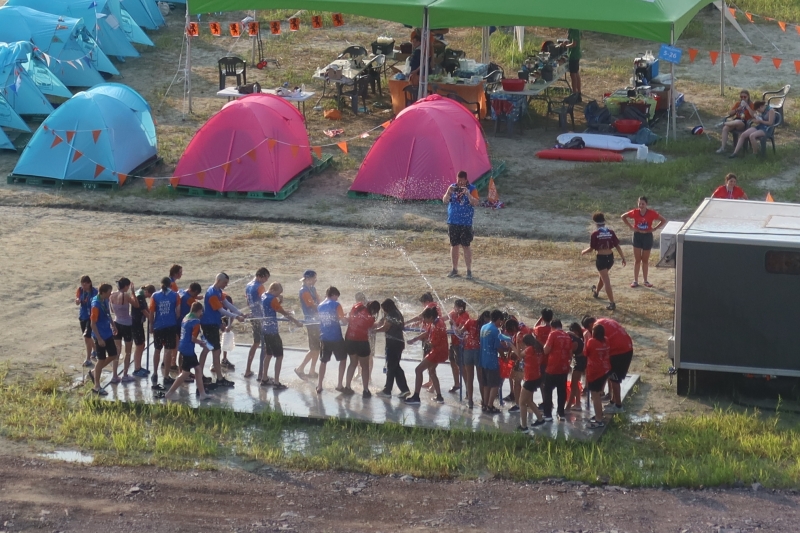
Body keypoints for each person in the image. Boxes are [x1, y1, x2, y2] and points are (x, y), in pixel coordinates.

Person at [199, 273, 245, 387]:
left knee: (209, 349)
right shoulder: (212, 293)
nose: (226, 285)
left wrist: (240, 312)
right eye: (225, 283)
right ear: (219, 280)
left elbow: (227, 304)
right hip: (209, 324)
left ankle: (201, 375)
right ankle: (218, 378)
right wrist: (236, 317)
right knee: (215, 350)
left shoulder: (218, 291)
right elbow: (221, 310)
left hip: (213, 323)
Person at [581, 315, 633, 414]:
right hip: (628, 347)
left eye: (589, 329)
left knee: (614, 379)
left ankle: (618, 406)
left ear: (590, 325)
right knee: (613, 376)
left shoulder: (598, 327)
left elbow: (591, 350)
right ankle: (613, 400)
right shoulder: (603, 320)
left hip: (620, 351)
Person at [164, 302, 211, 401]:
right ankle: (169, 393)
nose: (201, 314)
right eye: (201, 312)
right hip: (188, 348)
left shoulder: (186, 317)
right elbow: (193, 338)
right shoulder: (196, 322)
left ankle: (202, 393)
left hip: (182, 346)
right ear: (198, 311)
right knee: (185, 373)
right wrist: (201, 343)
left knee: (198, 369)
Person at [260, 283, 303, 389]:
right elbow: (283, 313)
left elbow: (274, 308)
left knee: (268, 354)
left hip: (265, 329)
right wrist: (296, 322)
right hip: (272, 331)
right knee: (279, 356)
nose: (278, 295)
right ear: (274, 290)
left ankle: (264, 378)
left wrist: (280, 301)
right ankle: (276, 382)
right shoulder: (272, 299)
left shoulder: (263, 296)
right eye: (278, 293)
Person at [581, 212, 627, 311]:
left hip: (601, 258)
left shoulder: (595, 234)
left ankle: (612, 303)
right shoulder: (610, 232)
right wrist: (623, 257)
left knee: (606, 280)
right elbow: (617, 246)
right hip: (610, 258)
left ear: (595, 222)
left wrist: (583, 252)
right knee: (603, 277)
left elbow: (591, 248)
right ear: (604, 221)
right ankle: (596, 292)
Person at [404, 307, 448, 404]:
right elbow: (426, 333)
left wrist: (426, 343)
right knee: (432, 371)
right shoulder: (435, 322)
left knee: (418, 370)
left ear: (431, 317)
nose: (423, 320)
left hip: (437, 352)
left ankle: (416, 397)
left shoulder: (438, 325)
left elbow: (432, 343)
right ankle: (439, 397)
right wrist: (415, 339)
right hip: (441, 351)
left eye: (425, 318)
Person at [621, 196, 667, 289]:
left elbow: (663, 220)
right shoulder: (635, 212)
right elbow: (623, 216)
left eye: (643, 204)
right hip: (637, 236)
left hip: (647, 237)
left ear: (646, 204)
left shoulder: (651, 213)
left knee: (645, 260)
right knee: (637, 260)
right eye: (639, 203)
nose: (641, 205)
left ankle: (645, 280)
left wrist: (654, 228)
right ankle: (635, 280)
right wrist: (631, 227)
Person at [443, 171, 479, 279]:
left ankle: (469, 271)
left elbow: (475, 203)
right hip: (453, 221)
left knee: (466, 246)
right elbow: (445, 200)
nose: (459, 183)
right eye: (457, 180)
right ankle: (454, 269)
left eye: (461, 181)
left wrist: (468, 194)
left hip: (465, 222)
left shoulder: (472, 188)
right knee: (454, 245)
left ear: (466, 179)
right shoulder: (452, 187)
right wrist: (448, 192)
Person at [149, 277, 181, 390]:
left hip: (158, 326)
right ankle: (166, 376)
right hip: (170, 325)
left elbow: (151, 312)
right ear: (170, 285)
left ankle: (154, 373)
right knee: (168, 351)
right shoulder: (175, 295)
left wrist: (151, 325)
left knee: (157, 350)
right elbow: (178, 312)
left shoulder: (155, 296)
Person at [344, 297, 380, 397]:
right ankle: (365, 390)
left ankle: (347, 387)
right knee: (365, 367)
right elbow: (372, 326)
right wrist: (381, 323)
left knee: (352, 363)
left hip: (349, 339)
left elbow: (351, 317)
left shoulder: (357, 307)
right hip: (361, 342)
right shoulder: (370, 318)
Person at [374, 299, 410, 399]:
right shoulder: (398, 313)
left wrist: (373, 331)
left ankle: (387, 390)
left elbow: (385, 327)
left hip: (393, 343)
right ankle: (404, 389)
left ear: (386, 307)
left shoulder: (391, 314)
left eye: (383, 309)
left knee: (391, 367)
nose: (383, 311)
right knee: (395, 366)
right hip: (399, 343)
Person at [541, 319, 576, 422]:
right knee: (561, 391)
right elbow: (570, 353)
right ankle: (561, 413)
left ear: (552, 327)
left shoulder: (553, 334)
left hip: (552, 367)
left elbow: (546, 350)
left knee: (547, 391)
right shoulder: (567, 336)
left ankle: (548, 414)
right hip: (564, 368)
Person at [316, 286, 348, 394]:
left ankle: (319, 386)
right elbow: (343, 322)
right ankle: (339, 385)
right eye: (337, 297)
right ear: (333, 295)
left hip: (324, 337)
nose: (337, 299)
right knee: (343, 360)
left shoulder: (320, 306)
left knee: (323, 361)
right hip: (336, 337)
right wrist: (346, 318)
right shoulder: (336, 305)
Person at [87, 283, 117, 396]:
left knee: (114, 354)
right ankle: (97, 386)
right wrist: (99, 338)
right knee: (101, 359)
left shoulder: (105, 300)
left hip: (107, 332)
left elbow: (108, 313)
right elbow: (92, 324)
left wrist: (113, 325)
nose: (110, 294)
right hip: (100, 335)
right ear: (103, 292)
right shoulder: (96, 304)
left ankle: (95, 371)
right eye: (109, 292)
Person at [478, 310, 510, 413]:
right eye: (501, 320)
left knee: (486, 384)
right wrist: (504, 357)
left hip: (483, 360)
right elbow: (498, 347)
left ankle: (485, 404)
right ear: (498, 319)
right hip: (492, 361)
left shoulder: (483, 327)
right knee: (495, 384)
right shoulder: (495, 330)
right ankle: (490, 405)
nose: (501, 323)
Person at [109, 277, 140, 384]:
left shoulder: (112, 295)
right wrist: (133, 292)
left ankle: (114, 375)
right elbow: (136, 304)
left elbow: (112, 310)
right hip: (126, 324)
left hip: (116, 323)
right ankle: (125, 374)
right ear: (126, 286)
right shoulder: (125, 295)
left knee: (117, 351)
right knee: (127, 352)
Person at [516, 334, 546, 432]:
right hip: (537, 376)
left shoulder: (530, 349)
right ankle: (540, 419)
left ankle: (524, 426)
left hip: (530, 378)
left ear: (526, 343)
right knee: (528, 400)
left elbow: (520, 356)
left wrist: (513, 345)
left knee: (522, 402)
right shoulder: (538, 348)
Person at [460, 310, 490, 409]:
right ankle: (484, 401)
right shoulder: (485, 327)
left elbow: (460, 332)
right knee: (480, 378)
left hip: (468, 350)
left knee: (469, 377)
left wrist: (454, 326)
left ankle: (470, 401)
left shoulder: (470, 322)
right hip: (479, 352)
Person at [584, 324, 611, 429]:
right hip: (605, 369)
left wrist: (586, 340)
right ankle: (599, 414)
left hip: (595, 371)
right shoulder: (606, 340)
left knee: (595, 397)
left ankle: (599, 420)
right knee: (598, 395)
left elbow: (586, 353)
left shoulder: (591, 341)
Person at [244, 268, 270, 379]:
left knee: (255, 343)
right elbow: (264, 302)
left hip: (253, 317)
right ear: (260, 276)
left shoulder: (248, 285)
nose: (265, 281)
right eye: (265, 278)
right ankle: (261, 374)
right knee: (264, 346)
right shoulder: (260, 286)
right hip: (261, 318)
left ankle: (247, 370)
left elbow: (248, 302)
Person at [295, 270, 320, 378]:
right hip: (311, 322)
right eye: (314, 278)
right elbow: (313, 305)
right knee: (314, 348)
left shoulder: (312, 289)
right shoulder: (304, 291)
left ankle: (312, 370)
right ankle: (300, 368)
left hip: (317, 321)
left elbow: (319, 301)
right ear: (308, 279)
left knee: (317, 348)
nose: (316, 280)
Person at [446, 299, 470, 393]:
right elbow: (444, 318)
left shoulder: (465, 316)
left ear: (460, 308)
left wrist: (454, 324)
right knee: (452, 362)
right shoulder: (454, 313)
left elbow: (460, 331)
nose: (454, 309)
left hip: (461, 343)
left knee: (462, 366)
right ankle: (457, 383)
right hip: (453, 342)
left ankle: (468, 388)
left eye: (455, 307)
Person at [131, 284, 154, 378]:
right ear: (147, 291)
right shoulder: (140, 296)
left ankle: (139, 366)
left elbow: (147, 309)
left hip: (139, 323)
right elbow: (144, 310)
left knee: (142, 344)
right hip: (135, 323)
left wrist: (152, 316)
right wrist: (152, 321)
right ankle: (136, 369)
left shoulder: (141, 293)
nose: (149, 297)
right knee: (139, 345)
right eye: (149, 295)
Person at [75, 275, 98, 368]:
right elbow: (77, 300)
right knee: (87, 337)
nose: (83, 286)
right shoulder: (80, 290)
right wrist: (77, 300)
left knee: (86, 337)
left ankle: (88, 359)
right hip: (83, 315)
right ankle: (95, 349)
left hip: (91, 316)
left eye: (85, 284)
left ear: (89, 283)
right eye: (82, 284)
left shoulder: (94, 291)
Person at [566, 322, 586, 411]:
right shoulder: (579, 338)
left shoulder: (575, 341)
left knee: (574, 384)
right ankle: (577, 404)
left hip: (579, 362)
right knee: (575, 384)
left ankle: (569, 406)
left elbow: (570, 353)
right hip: (580, 361)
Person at [566, 28, 582, 99]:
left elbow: (574, 44)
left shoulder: (575, 30)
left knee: (573, 75)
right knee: (576, 73)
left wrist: (565, 46)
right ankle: (579, 92)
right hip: (576, 54)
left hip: (574, 55)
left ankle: (574, 94)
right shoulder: (573, 29)